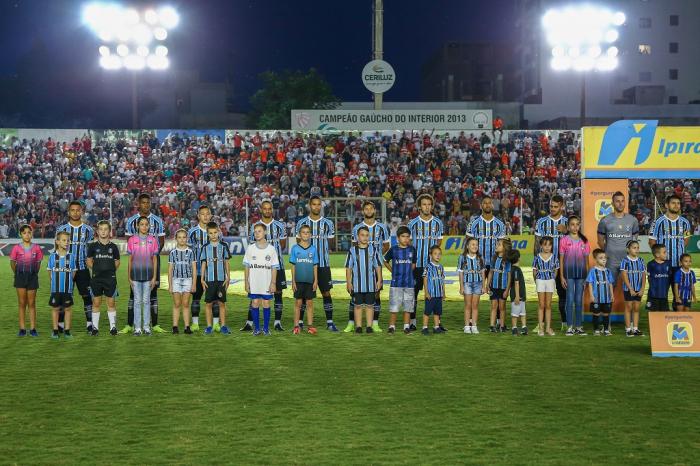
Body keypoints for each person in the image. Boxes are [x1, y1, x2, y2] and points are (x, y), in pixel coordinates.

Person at [121, 193, 166, 334]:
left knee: (153, 292)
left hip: (152, 259)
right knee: (133, 294)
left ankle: (154, 324)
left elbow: (162, 241)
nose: (146, 205)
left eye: (148, 202)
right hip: (136, 262)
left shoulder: (158, 221)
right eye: (143, 202)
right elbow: (129, 241)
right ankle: (130, 324)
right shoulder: (131, 221)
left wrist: (153, 254)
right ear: (138, 204)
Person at [295, 196, 338, 332]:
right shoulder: (301, 223)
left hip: (323, 264)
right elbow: (298, 245)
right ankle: (300, 322)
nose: (316, 207)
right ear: (309, 205)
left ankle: (330, 322)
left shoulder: (328, 224)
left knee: (326, 292)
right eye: (314, 204)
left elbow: (331, 242)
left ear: (321, 206)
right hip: (305, 266)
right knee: (302, 295)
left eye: (319, 205)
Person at [243, 200, 288, 332]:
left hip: (276, 266)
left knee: (278, 292)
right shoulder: (255, 227)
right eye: (265, 208)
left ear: (272, 209)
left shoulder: (280, 225)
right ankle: (250, 322)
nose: (267, 211)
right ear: (261, 210)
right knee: (254, 294)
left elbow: (283, 245)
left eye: (269, 208)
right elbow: (253, 247)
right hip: (258, 268)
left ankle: (277, 322)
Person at [346, 200, 391, 333]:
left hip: (375, 266)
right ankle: (351, 323)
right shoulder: (356, 228)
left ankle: (374, 323)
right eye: (366, 209)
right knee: (354, 294)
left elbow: (386, 245)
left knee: (376, 294)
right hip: (359, 266)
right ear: (363, 211)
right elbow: (354, 246)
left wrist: (373, 256)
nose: (369, 211)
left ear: (374, 211)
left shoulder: (382, 227)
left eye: (371, 208)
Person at [56, 201, 95, 334]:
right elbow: (58, 251)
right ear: (68, 212)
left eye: (78, 210)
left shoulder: (88, 230)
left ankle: (90, 324)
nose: (75, 212)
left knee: (87, 296)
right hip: (66, 269)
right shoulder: (61, 230)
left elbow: (90, 251)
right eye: (72, 210)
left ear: (82, 211)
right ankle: (60, 325)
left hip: (82, 268)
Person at [408, 194, 444, 331]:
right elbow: (410, 244)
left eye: (429, 204)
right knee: (414, 294)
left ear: (432, 206)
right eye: (424, 204)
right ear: (419, 206)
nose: (427, 207)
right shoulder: (412, 223)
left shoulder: (438, 223)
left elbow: (439, 242)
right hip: (417, 265)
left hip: (432, 266)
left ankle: (437, 323)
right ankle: (413, 321)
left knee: (435, 294)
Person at [649, 194, 691, 310]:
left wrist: (679, 252)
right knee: (660, 294)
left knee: (680, 295)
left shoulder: (685, 222)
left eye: (678, 203)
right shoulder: (658, 222)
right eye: (673, 203)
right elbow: (652, 241)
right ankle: (660, 319)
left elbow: (686, 240)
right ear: (667, 205)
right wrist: (659, 260)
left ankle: (677, 319)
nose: (676, 205)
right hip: (663, 266)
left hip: (679, 266)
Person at [534, 195, 568, 331]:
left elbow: (578, 240)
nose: (552, 209)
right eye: (551, 206)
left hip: (562, 265)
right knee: (542, 297)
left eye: (555, 206)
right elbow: (537, 244)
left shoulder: (567, 222)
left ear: (562, 206)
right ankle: (540, 324)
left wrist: (566, 231)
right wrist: (535, 264)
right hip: (544, 268)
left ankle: (564, 323)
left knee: (562, 294)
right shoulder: (541, 222)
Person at [345, 226, 383, 334]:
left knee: (370, 305)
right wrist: (348, 282)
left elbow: (378, 266)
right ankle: (358, 326)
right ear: (357, 237)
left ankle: (369, 326)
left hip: (370, 284)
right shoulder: (352, 250)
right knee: (357, 306)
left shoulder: (373, 250)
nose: (365, 237)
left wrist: (379, 279)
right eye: (362, 235)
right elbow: (349, 268)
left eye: (367, 235)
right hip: (357, 284)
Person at [244, 223, 280, 336]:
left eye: (259, 231)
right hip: (254, 282)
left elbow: (274, 268)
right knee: (254, 302)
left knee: (266, 302)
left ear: (265, 232)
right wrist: (246, 282)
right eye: (255, 232)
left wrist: (273, 283)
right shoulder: (250, 248)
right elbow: (247, 266)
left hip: (266, 282)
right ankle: (256, 328)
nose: (257, 233)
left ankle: (265, 328)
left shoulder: (271, 249)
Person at [86, 220, 120, 336]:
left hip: (110, 279)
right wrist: (97, 270)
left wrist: (109, 270)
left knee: (111, 303)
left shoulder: (114, 247)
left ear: (109, 231)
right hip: (96, 279)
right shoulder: (93, 246)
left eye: (106, 229)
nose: (103, 231)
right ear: (97, 231)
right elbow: (89, 261)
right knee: (96, 302)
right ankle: (95, 328)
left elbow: (117, 262)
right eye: (101, 229)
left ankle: (113, 328)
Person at [188, 205, 219, 332]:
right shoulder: (192, 232)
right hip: (198, 271)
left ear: (211, 215)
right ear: (198, 216)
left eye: (208, 213)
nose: (205, 216)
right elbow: (188, 252)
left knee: (215, 299)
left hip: (212, 272)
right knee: (196, 298)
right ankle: (195, 323)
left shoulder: (215, 231)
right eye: (203, 214)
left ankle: (216, 324)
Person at [597, 191, 639, 285]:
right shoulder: (605, 221)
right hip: (611, 262)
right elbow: (600, 241)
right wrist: (609, 252)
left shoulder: (632, 220)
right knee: (609, 287)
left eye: (622, 201)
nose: (620, 204)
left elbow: (634, 240)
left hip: (628, 260)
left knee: (630, 287)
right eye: (617, 201)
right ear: (612, 203)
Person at [127, 217, 159, 336]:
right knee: (137, 301)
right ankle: (137, 328)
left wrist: (154, 276)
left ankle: (146, 327)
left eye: (146, 224)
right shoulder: (132, 240)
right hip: (135, 275)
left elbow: (155, 260)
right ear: (137, 226)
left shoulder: (153, 240)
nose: (144, 226)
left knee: (146, 301)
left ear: (149, 226)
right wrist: (129, 276)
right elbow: (130, 260)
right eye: (142, 224)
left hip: (148, 276)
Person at [10, 224, 43, 337]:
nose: (27, 235)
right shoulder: (16, 248)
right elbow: (12, 263)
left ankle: (33, 329)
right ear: (21, 234)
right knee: (22, 303)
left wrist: (33, 274)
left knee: (32, 303)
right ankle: (22, 329)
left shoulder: (37, 248)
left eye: (29, 232)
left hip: (32, 277)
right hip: (20, 277)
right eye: (24, 233)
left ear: (32, 234)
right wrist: (18, 274)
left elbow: (38, 264)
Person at [559, 216, 590, 336]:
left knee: (578, 300)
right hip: (569, 274)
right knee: (570, 299)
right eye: (572, 224)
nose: (575, 227)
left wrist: (587, 277)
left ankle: (579, 326)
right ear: (568, 226)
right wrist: (562, 276)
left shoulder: (585, 241)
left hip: (581, 274)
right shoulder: (564, 240)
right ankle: (569, 326)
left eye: (577, 224)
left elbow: (587, 261)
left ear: (580, 225)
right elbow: (561, 260)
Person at [383, 226, 416, 334]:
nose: (405, 239)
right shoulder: (393, 249)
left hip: (409, 283)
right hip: (396, 283)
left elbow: (414, 264)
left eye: (407, 237)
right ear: (398, 238)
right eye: (403, 236)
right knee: (394, 306)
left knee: (408, 306)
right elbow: (385, 261)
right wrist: (393, 271)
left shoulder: (412, 249)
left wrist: (408, 272)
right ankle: (392, 326)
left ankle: (406, 326)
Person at [200, 222, 232, 335]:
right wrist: (202, 279)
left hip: (221, 279)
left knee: (222, 303)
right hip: (209, 280)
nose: (213, 235)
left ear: (218, 232)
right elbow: (203, 263)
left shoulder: (224, 246)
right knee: (208, 304)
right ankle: (209, 326)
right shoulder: (205, 247)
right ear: (207, 234)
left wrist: (228, 277)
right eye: (211, 233)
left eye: (215, 232)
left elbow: (226, 262)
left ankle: (223, 325)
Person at [289, 224, 319, 335]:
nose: (305, 234)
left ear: (310, 235)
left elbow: (315, 265)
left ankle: (310, 326)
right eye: (303, 232)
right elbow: (293, 265)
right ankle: (296, 326)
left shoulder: (313, 249)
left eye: (307, 232)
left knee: (310, 303)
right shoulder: (295, 248)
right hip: (298, 281)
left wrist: (315, 280)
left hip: (310, 281)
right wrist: (293, 281)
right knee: (298, 303)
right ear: (299, 234)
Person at [48, 231, 76, 340]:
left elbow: (73, 272)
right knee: (55, 309)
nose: (66, 242)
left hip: (67, 289)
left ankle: (67, 331)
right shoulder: (52, 257)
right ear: (57, 242)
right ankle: (55, 330)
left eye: (68, 240)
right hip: (55, 289)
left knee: (67, 309)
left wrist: (68, 282)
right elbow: (50, 272)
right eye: (64, 240)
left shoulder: (71, 257)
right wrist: (54, 282)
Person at [168, 229, 197, 335]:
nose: (182, 239)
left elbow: (194, 269)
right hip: (175, 280)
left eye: (184, 237)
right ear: (176, 239)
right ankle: (175, 326)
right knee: (177, 303)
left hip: (188, 280)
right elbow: (170, 269)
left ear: (187, 238)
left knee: (185, 304)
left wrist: (194, 284)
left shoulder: (190, 252)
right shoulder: (172, 253)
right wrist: (170, 285)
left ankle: (187, 327)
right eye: (179, 237)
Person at [533, 237, 559, 336]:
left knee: (548, 305)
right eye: (545, 245)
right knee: (541, 304)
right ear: (541, 246)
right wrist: (537, 280)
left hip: (550, 281)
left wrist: (553, 278)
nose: (547, 247)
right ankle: (540, 328)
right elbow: (534, 270)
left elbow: (556, 269)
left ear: (552, 246)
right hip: (540, 280)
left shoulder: (554, 257)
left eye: (549, 245)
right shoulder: (537, 257)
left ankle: (548, 328)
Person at [458, 237, 484, 334]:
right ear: (467, 246)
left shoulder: (480, 257)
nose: (475, 246)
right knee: (468, 305)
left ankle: (474, 326)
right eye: (472, 244)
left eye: (476, 244)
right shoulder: (462, 257)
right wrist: (461, 286)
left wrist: (483, 285)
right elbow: (460, 272)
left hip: (478, 283)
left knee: (475, 305)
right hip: (467, 283)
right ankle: (466, 326)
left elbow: (482, 272)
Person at [620, 240, 646, 337]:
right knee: (629, 307)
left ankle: (635, 328)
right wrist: (630, 288)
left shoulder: (641, 261)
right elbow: (624, 276)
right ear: (628, 249)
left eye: (638, 248)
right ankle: (628, 329)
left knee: (636, 308)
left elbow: (643, 275)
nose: (636, 250)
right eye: (634, 248)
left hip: (638, 289)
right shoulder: (625, 261)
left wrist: (642, 288)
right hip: (628, 289)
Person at [587, 249, 615, 336]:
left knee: (606, 314)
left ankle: (606, 330)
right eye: (601, 258)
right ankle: (596, 330)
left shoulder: (608, 271)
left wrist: (612, 295)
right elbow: (590, 284)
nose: (604, 259)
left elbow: (610, 283)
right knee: (596, 314)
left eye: (605, 258)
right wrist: (591, 295)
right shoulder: (592, 271)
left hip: (606, 298)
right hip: (596, 298)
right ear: (595, 259)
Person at [486, 238, 512, 333]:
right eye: (497, 244)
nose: (496, 246)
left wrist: (507, 289)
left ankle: (502, 326)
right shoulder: (494, 258)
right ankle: (492, 326)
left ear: (504, 248)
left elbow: (509, 276)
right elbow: (491, 273)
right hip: (494, 287)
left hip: (503, 288)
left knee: (502, 307)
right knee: (493, 306)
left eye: (499, 244)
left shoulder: (508, 261)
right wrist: (487, 284)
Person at [422, 245, 446, 336]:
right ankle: (425, 327)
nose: (438, 256)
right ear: (430, 255)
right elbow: (425, 279)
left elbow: (442, 281)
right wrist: (426, 292)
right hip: (431, 294)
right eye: (435, 254)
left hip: (439, 295)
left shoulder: (441, 267)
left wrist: (443, 293)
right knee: (427, 312)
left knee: (437, 312)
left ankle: (436, 327)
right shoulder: (428, 267)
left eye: (439, 254)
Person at [646, 245, 672, 312]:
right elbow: (649, 279)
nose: (666, 254)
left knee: (664, 314)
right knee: (653, 314)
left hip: (664, 295)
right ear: (657, 254)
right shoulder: (651, 264)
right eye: (664, 252)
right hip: (653, 296)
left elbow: (670, 277)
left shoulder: (668, 263)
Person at [509, 250, 527, 336]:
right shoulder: (516, 270)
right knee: (517, 313)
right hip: (519, 296)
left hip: (519, 296)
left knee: (519, 312)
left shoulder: (513, 269)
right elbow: (516, 283)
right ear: (519, 258)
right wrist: (517, 296)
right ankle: (517, 328)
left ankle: (520, 328)